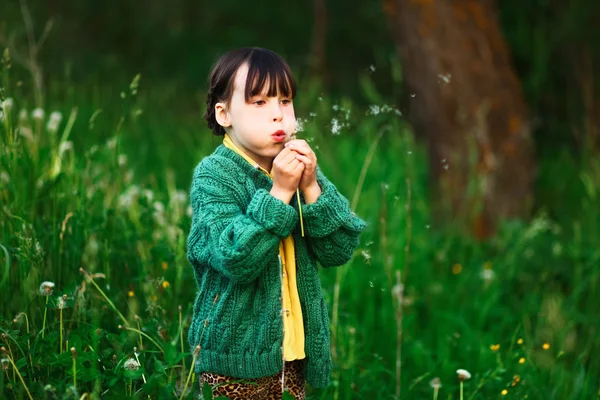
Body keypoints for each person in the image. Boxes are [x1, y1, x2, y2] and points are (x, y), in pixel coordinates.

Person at [187, 47, 366, 400]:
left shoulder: (294, 168)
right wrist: (280, 192)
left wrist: (311, 186)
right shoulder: (215, 177)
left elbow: (338, 249)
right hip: (232, 360)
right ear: (224, 114)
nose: (278, 115)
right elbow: (237, 257)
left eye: (285, 101)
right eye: (259, 102)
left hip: (290, 354)